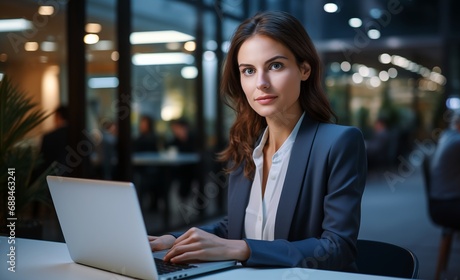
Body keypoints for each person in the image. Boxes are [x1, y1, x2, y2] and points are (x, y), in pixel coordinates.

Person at [149, 11, 367, 271]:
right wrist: (174, 240)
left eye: (275, 66)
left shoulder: (338, 143)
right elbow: (238, 226)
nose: (261, 83)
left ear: (304, 69)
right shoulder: (245, 146)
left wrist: (243, 248)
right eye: (249, 71)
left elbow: (338, 247)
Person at [166, 118, 197, 199]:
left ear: (185, 128)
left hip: (191, 169)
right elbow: (169, 151)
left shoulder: (193, 139)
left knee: (186, 178)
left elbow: (195, 154)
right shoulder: (174, 140)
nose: (176, 131)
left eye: (178, 128)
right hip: (177, 169)